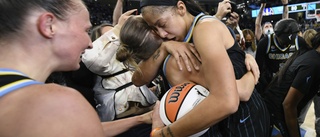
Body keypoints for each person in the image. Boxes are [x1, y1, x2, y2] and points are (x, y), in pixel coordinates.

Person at [0, 1, 156, 136]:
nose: (89, 43)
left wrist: (140, 119)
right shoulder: (59, 103)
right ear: (49, 25)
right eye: (86, 31)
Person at [120, 0, 270, 136]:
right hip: (241, 119)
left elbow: (229, 99)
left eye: (163, 24)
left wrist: (163, 134)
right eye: (154, 28)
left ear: (181, 8)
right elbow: (138, 79)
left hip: (244, 123)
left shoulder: (203, 30)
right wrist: (165, 47)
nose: (161, 34)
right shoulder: (173, 45)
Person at [262, 31, 320, 137]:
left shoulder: (310, 55)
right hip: (276, 113)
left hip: (276, 111)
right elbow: (288, 105)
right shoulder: (312, 63)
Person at [255, 18, 309, 94]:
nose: (286, 45)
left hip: (292, 83)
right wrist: (266, 85)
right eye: (284, 42)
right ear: (276, 35)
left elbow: (306, 64)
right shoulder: (265, 43)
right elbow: (258, 67)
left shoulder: (300, 41)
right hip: (271, 82)